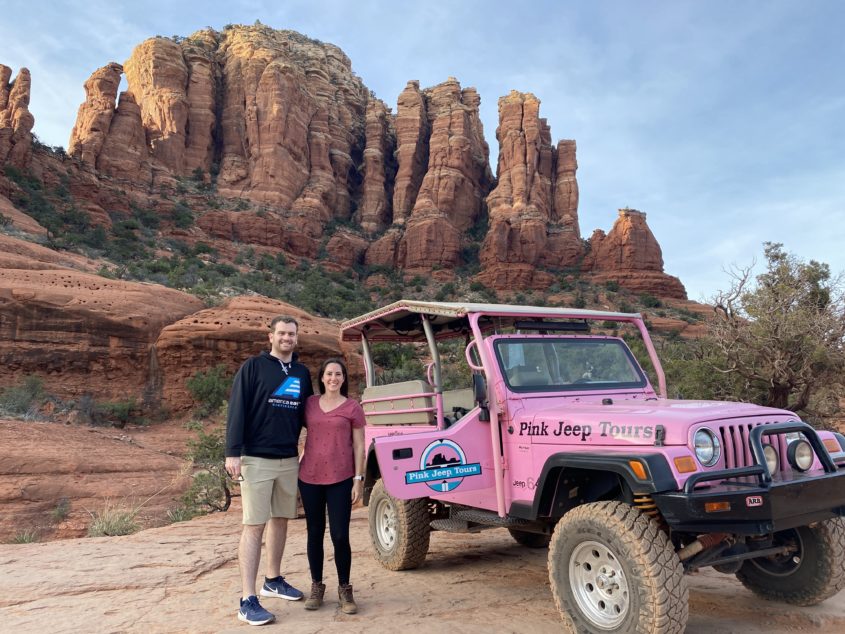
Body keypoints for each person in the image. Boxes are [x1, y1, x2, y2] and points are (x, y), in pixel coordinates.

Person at [225, 315, 313, 626]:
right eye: (282, 333)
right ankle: (248, 599)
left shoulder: (302, 373)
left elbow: (309, 415)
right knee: (254, 525)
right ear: (270, 336)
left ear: (296, 338)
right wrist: (232, 452)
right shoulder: (253, 367)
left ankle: (273, 579)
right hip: (256, 458)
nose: (287, 338)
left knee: (281, 520)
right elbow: (237, 408)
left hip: (288, 459)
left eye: (292, 334)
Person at [298, 357, 366, 614]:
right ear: (322, 377)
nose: (333, 378)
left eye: (338, 374)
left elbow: (359, 444)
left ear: (344, 378)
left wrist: (358, 479)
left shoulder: (352, 407)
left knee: (339, 535)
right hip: (310, 477)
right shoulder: (310, 404)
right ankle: (317, 586)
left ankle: (345, 589)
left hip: (341, 478)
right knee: (314, 533)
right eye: (329, 374)